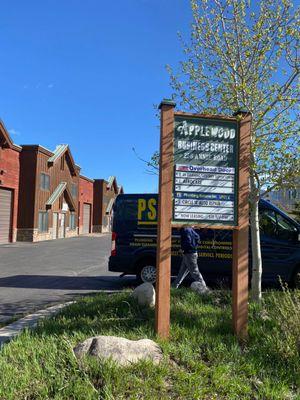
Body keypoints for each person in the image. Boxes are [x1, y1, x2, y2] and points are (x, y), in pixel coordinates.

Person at [172, 225, 209, 292]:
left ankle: (204, 289)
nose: (176, 228)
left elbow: (187, 241)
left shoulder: (184, 230)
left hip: (189, 254)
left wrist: (182, 249)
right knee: (182, 272)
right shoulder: (189, 229)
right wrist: (194, 247)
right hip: (190, 254)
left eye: (176, 227)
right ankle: (173, 287)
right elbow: (197, 237)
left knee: (195, 273)